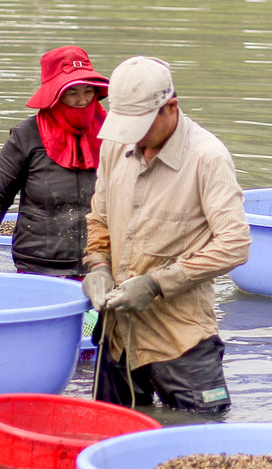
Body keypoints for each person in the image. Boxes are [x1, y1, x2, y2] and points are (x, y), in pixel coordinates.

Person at [81, 56, 251, 414]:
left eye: (140, 126)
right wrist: (97, 265)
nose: (133, 137)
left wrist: (156, 283)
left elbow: (234, 244)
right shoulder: (114, 146)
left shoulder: (207, 157)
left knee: (202, 434)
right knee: (108, 433)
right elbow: (99, 217)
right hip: (117, 332)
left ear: (170, 107)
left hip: (180, 338)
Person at [0, 45, 109, 276]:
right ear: (55, 95)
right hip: (39, 265)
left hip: (101, 265)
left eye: (88, 91)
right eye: (72, 93)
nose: (82, 101)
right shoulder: (26, 136)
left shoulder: (113, 134)